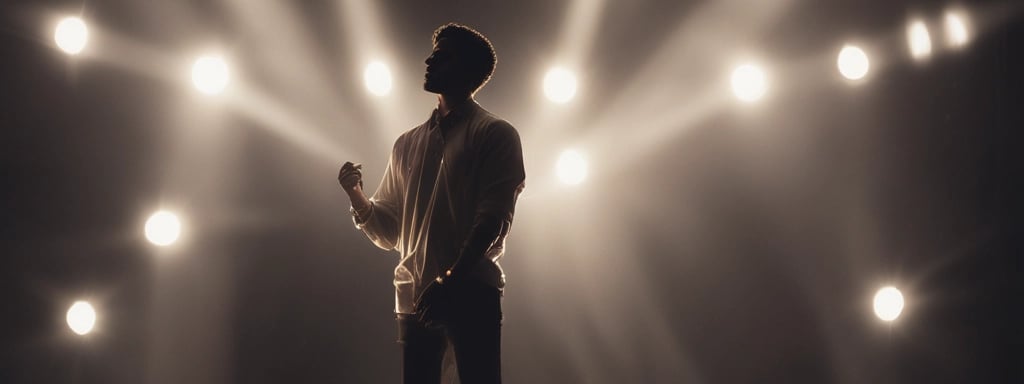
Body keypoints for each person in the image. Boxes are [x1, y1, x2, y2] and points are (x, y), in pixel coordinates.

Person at [337, 22, 525, 384]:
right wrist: (356, 194)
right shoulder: (406, 144)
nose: (429, 60)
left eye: (442, 55)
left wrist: (449, 281)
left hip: (469, 293)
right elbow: (392, 231)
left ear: (467, 69)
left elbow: (493, 220)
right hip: (417, 297)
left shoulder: (495, 134)